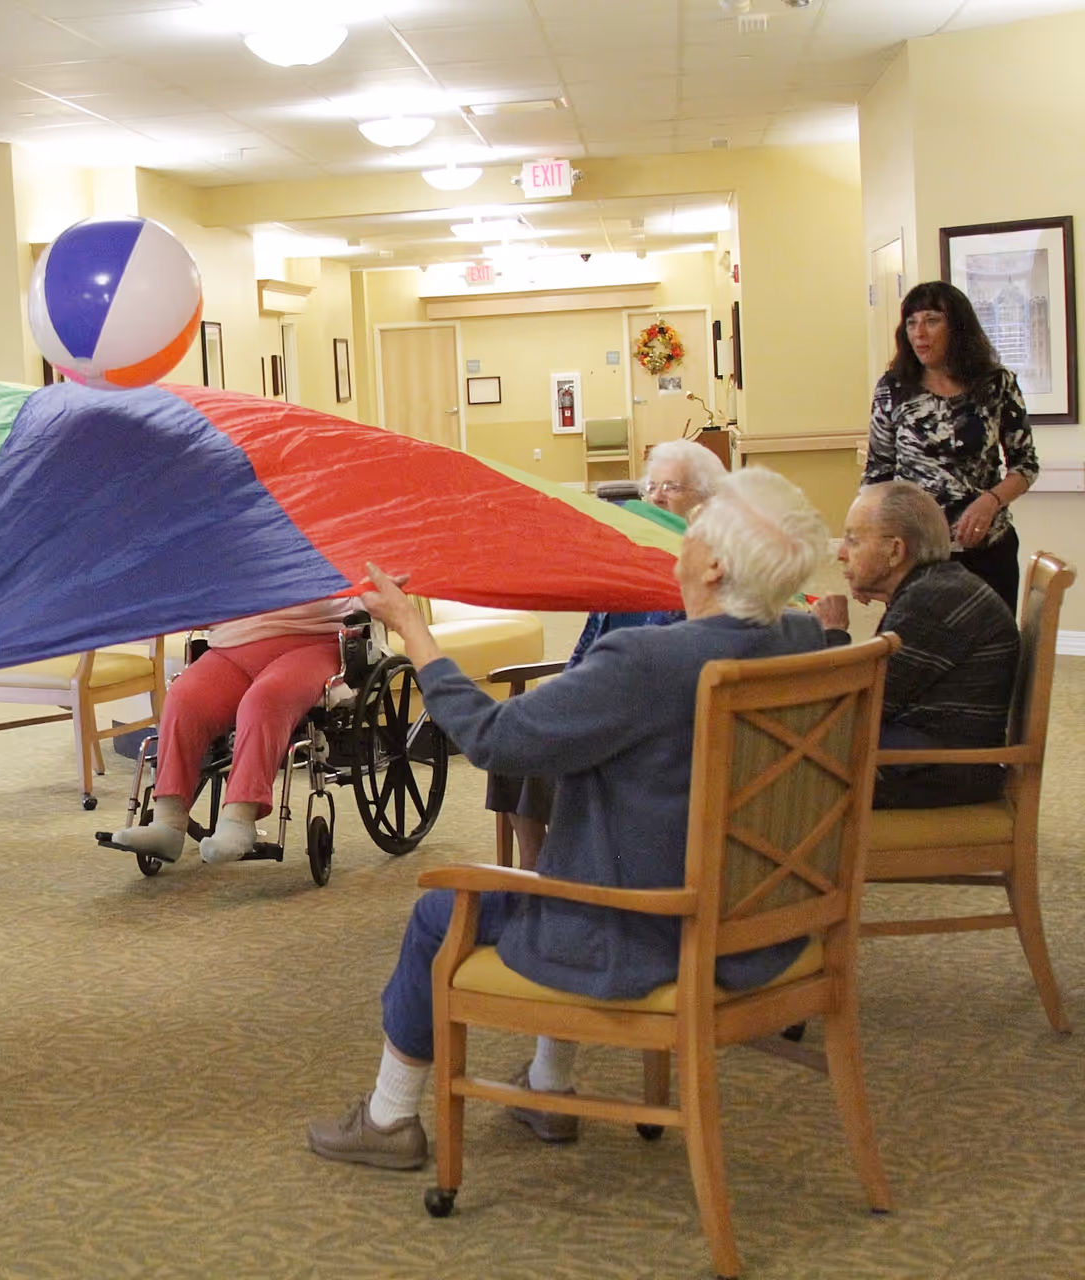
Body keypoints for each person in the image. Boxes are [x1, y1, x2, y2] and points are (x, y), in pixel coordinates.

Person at [307, 467, 829, 1167]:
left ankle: (388, 1117)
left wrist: (413, 633)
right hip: (762, 923)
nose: (676, 533)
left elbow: (495, 740)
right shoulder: (803, 640)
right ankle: (546, 1085)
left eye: (691, 527)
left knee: (443, 909)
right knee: (569, 861)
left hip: (640, 929)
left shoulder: (649, 662)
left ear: (711, 562)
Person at [489, 437, 725, 867]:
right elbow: (589, 645)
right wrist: (567, 691)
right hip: (601, 697)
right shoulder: (626, 566)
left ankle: (553, 871)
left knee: (555, 739)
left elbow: (678, 670)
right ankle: (535, 864)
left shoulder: (704, 574)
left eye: (670, 487)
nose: (655, 496)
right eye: (650, 486)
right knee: (518, 723)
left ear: (705, 503)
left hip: (648, 721)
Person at [814, 480, 1018, 808]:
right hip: (934, 753)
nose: (840, 553)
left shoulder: (931, 603)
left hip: (939, 771)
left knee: (783, 760)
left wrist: (834, 633)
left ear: (895, 551)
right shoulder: (937, 585)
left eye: (853, 540)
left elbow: (849, 709)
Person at [111, 596, 356, 865]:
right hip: (233, 643)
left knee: (264, 699)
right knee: (184, 699)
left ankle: (239, 819)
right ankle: (167, 822)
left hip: (312, 639)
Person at [864, 280, 1039, 606]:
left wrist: (991, 501)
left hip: (988, 550)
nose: (920, 333)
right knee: (921, 653)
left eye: (931, 320)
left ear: (957, 326)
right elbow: (877, 475)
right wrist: (868, 548)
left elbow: (1025, 465)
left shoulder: (996, 384)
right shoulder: (893, 389)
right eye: (912, 323)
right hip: (917, 555)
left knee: (990, 650)